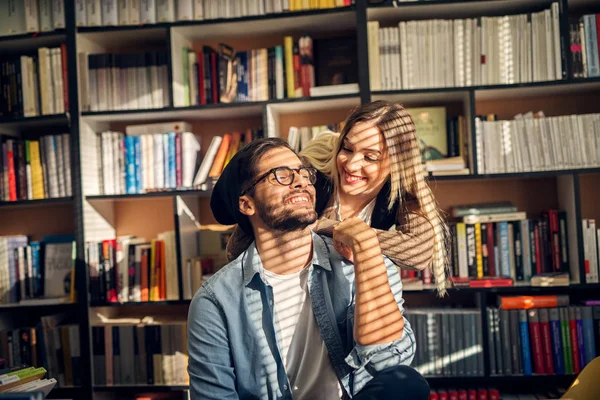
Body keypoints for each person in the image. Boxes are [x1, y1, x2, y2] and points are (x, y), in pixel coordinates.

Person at [187, 138, 429, 399]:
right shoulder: (215, 302)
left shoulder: (363, 262)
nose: (301, 181)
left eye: (304, 173)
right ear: (247, 204)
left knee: (406, 383)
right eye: (281, 175)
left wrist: (368, 248)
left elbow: (389, 363)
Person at [227, 100, 450, 295]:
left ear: (396, 164)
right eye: (347, 149)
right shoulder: (310, 175)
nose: (351, 165)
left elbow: (418, 252)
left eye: (370, 157)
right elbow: (236, 248)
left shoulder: (400, 192)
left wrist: (329, 227)